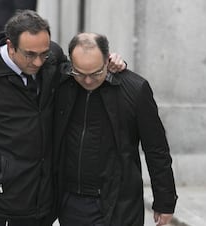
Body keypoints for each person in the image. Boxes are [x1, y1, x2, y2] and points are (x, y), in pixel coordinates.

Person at [0, 10, 126, 226]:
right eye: (30, 55)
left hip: (37, 196)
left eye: (43, 53)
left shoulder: (52, 58)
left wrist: (112, 62)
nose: (38, 62)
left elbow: (83, 72)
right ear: (11, 46)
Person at [53, 32, 177, 226]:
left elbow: (156, 149)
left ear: (107, 60)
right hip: (71, 202)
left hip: (119, 202)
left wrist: (165, 201)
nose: (87, 81)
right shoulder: (62, 82)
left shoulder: (134, 89)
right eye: (80, 73)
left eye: (95, 73)